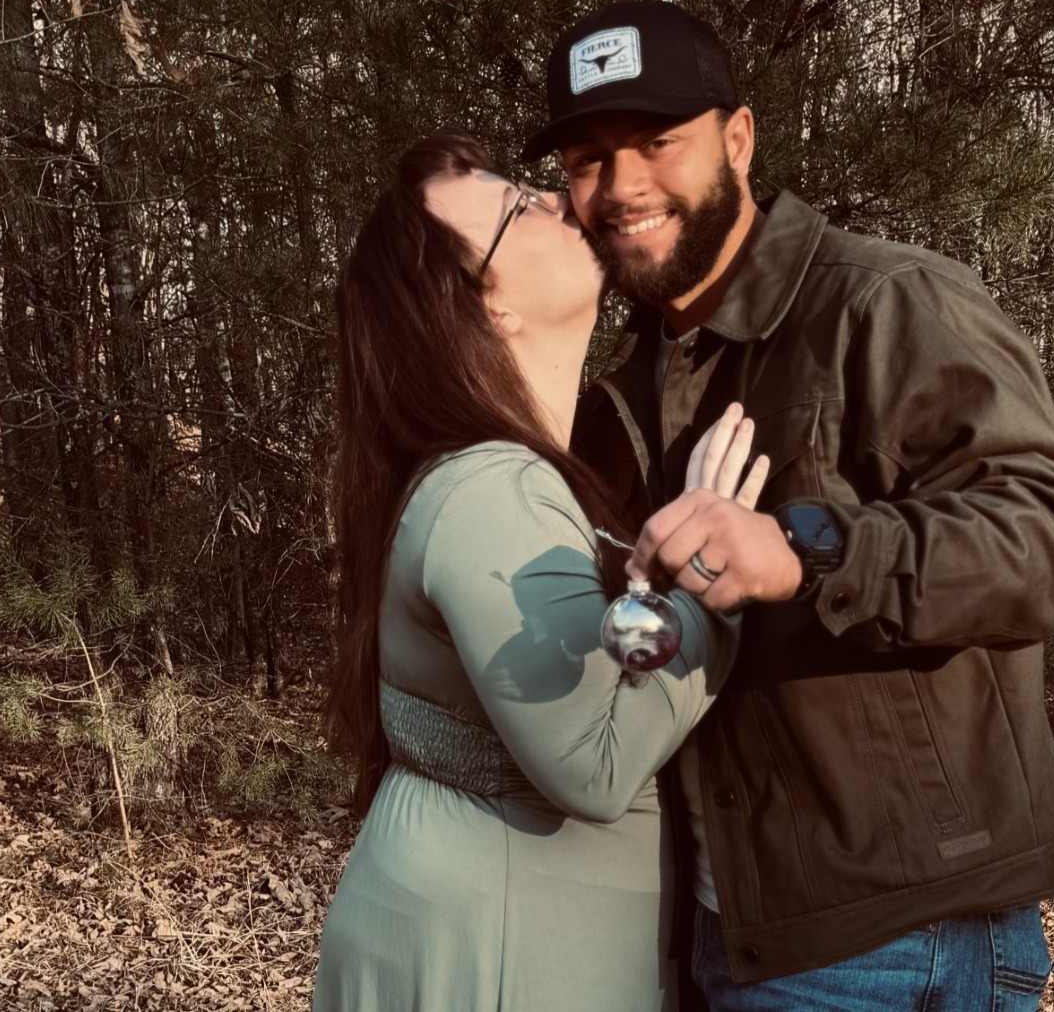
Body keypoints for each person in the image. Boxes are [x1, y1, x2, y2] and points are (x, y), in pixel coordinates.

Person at [528, 0, 1054, 1010]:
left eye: (657, 142)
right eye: (588, 159)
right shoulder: (620, 387)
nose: (621, 186)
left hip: (892, 935)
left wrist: (809, 549)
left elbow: (1053, 539)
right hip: (721, 929)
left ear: (738, 139)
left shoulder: (884, 302)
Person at [312, 131, 772, 1011]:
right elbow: (593, 760)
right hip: (500, 955)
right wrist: (715, 574)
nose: (563, 202)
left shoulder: (508, 475)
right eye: (520, 207)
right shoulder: (494, 485)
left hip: (493, 935)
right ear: (486, 310)